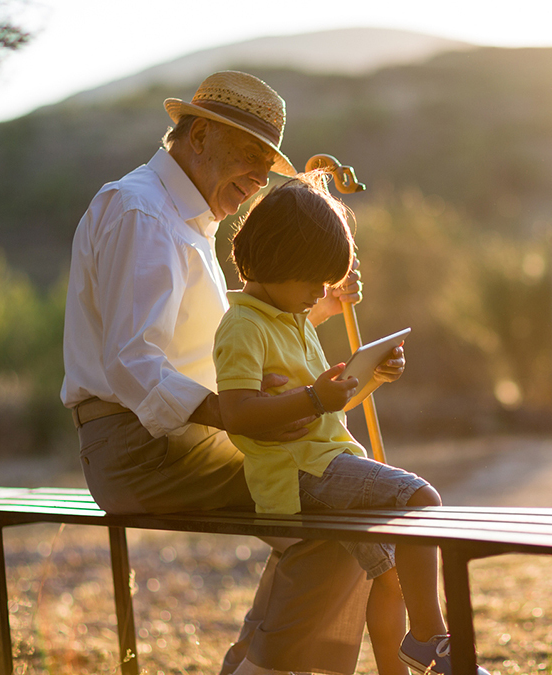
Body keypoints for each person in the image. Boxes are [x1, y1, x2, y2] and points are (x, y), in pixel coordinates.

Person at [61, 70, 372, 675]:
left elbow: (219, 334)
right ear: (199, 136)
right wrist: (230, 413)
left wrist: (318, 307)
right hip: (141, 449)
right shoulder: (143, 213)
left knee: (341, 509)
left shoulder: (178, 215)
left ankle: (259, 666)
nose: (260, 179)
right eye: (252, 156)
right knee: (339, 509)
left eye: (268, 163)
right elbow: (135, 361)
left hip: (169, 441)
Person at [215, 174, 489, 675]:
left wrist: (371, 378)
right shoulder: (243, 328)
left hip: (323, 462)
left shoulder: (291, 320)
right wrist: (314, 396)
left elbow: (325, 409)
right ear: (274, 264)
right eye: (313, 282)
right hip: (298, 474)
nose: (321, 293)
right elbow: (235, 414)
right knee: (421, 499)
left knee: (388, 578)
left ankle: (400, 666)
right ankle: (430, 637)